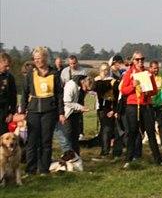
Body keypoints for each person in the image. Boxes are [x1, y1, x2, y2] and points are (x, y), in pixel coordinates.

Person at [20, 46, 65, 175]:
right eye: (35, 59)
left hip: (49, 112)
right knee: (32, 142)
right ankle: (30, 170)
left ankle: (44, 169)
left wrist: (61, 113)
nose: (37, 61)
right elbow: (24, 93)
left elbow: (59, 95)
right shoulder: (30, 75)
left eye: (40, 58)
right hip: (33, 111)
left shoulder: (55, 74)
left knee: (46, 141)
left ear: (45, 58)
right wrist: (22, 111)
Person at [119, 51, 162, 168]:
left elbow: (154, 90)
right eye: (137, 59)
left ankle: (158, 160)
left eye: (142, 59)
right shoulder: (129, 73)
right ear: (133, 61)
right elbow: (123, 90)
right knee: (132, 132)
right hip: (132, 105)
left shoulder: (148, 73)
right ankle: (129, 159)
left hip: (146, 105)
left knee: (151, 132)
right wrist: (133, 85)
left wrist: (150, 92)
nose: (140, 61)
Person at [63, 76, 93, 154]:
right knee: (68, 137)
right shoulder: (71, 85)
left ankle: (76, 156)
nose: (86, 90)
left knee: (75, 137)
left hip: (76, 114)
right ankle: (68, 157)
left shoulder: (81, 87)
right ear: (83, 82)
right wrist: (80, 107)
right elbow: (67, 102)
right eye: (86, 87)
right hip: (67, 114)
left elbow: (80, 99)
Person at [94, 63, 118, 157]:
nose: (105, 72)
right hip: (99, 107)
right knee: (104, 128)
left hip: (109, 107)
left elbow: (115, 97)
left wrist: (114, 110)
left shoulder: (112, 81)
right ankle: (105, 148)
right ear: (99, 70)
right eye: (103, 69)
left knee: (106, 129)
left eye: (106, 69)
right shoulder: (96, 80)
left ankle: (105, 150)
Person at [0, 52, 17, 136]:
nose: (8, 68)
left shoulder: (10, 78)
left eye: (9, 66)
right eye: (5, 66)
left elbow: (13, 97)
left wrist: (11, 113)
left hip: (4, 113)